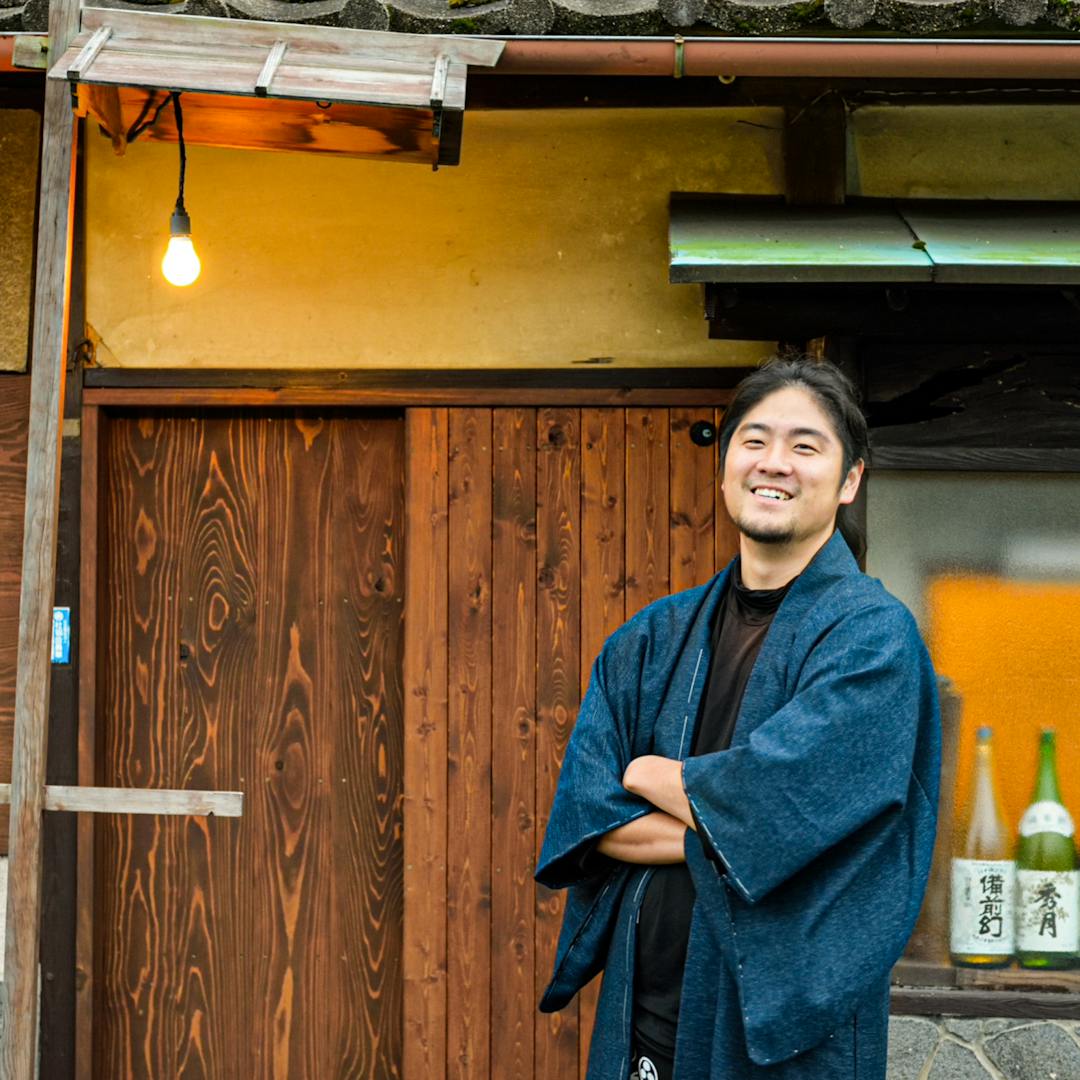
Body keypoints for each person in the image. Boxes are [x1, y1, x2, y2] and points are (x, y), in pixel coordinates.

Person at [535, 357, 941, 1080]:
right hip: (645, 1015)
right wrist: (730, 835)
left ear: (849, 480)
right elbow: (588, 815)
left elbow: (780, 805)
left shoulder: (872, 639)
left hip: (785, 1042)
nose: (774, 462)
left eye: (805, 446)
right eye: (754, 440)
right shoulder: (649, 639)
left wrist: (649, 774)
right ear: (725, 466)